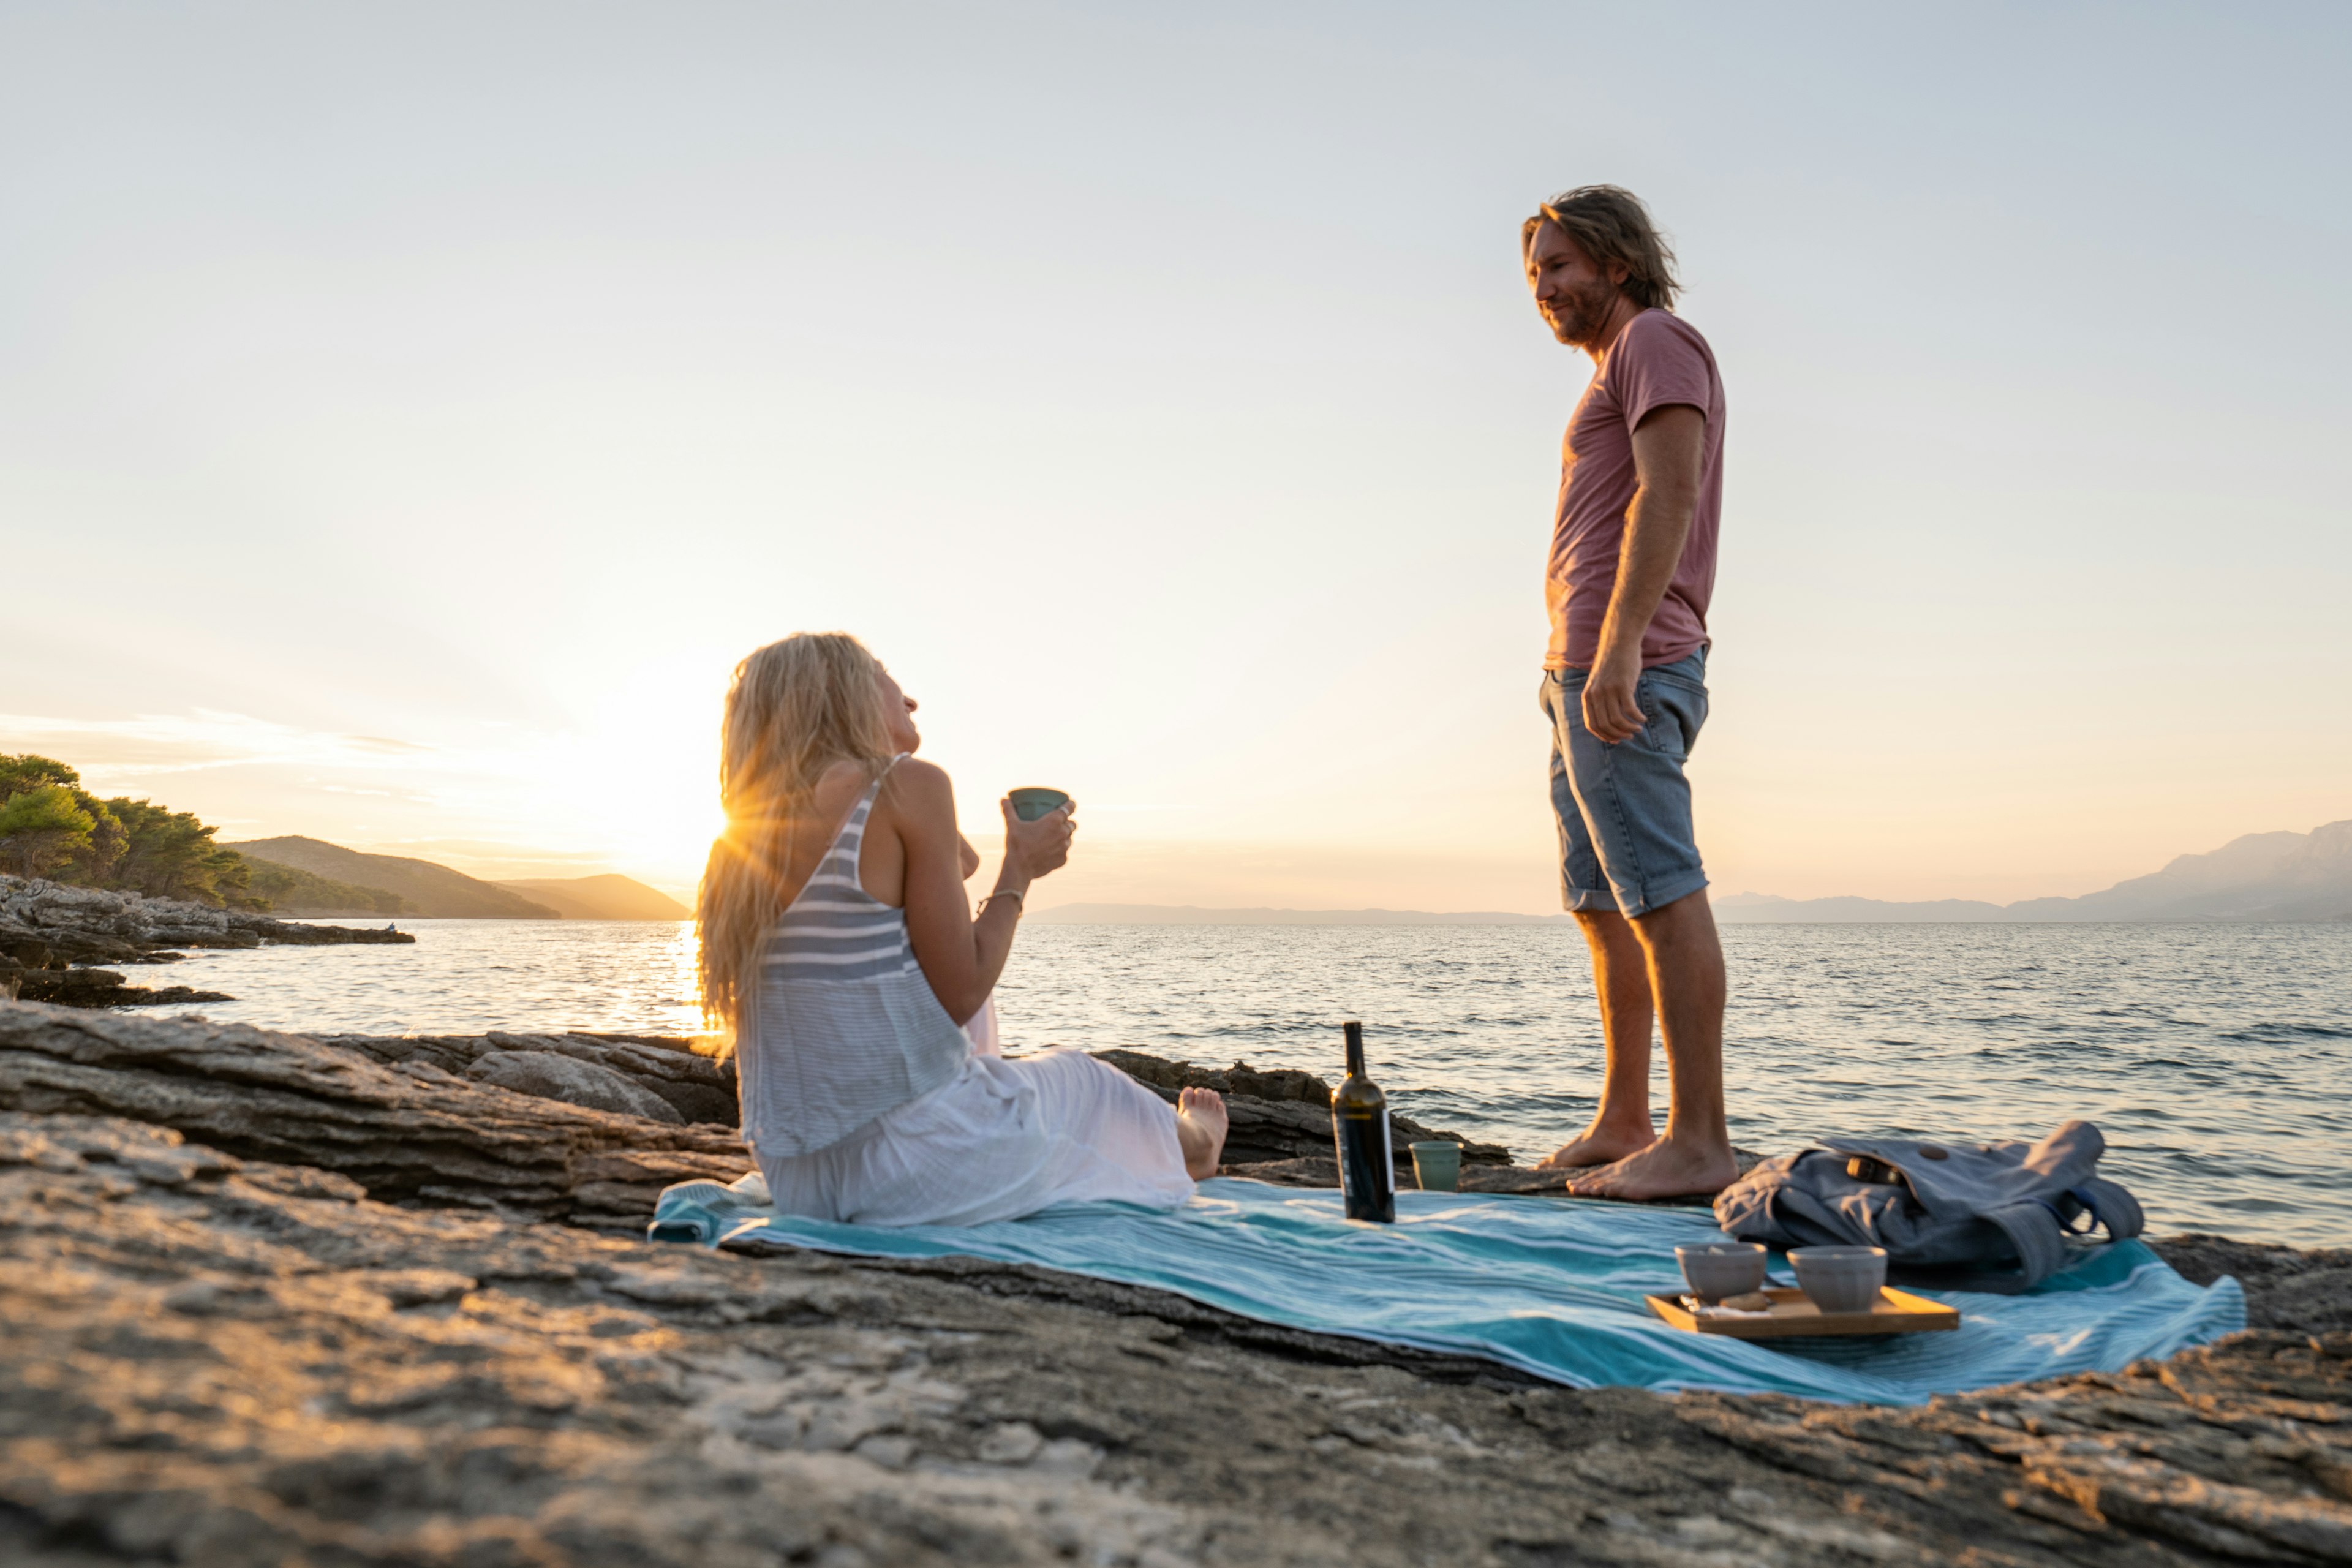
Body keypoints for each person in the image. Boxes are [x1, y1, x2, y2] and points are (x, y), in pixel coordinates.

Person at [696, 631, 1227, 1226]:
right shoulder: (910, 785)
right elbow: (961, 988)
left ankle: (983, 1098)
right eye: (883, 674)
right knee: (1086, 1083)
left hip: (802, 1180)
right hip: (920, 1172)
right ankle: (1198, 1147)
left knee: (933, 1000)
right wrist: (1021, 868)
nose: (910, 699)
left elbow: (957, 868)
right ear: (842, 692)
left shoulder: (738, 839)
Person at [1521, 186, 1738, 1201]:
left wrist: (1613, 655)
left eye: (1561, 267)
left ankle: (1699, 1139)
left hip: (1628, 662)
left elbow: (1671, 489)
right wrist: (1564, 671)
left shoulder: (1657, 340)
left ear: (1615, 261)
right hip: (1583, 669)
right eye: (1535, 275)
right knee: (1603, 902)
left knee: (1659, 888)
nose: (1545, 289)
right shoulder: (1617, 365)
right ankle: (1625, 1119)